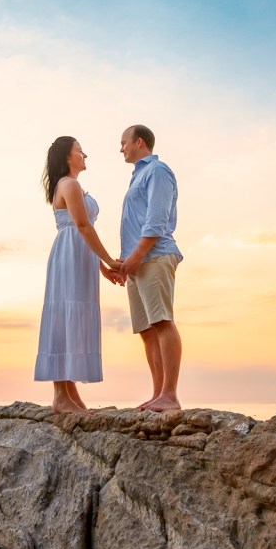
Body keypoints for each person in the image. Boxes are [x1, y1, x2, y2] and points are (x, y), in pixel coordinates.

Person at [35, 136, 121, 413]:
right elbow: (82, 226)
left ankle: (71, 395)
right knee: (64, 316)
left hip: (79, 254)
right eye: (80, 151)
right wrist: (109, 259)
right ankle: (61, 396)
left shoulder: (71, 185)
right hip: (70, 253)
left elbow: (83, 231)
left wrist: (102, 269)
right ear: (67, 157)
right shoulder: (69, 185)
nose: (85, 155)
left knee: (74, 317)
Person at [115, 124, 183, 412]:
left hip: (154, 256)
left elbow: (157, 218)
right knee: (146, 330)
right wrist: (124, 261)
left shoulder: (157, 171)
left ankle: (170, 395)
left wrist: (138, 255)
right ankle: (158, 395)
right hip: (137, 262)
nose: (121, 148)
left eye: (124, 142)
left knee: (162, 322)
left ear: (139, 142)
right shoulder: (138, 176)